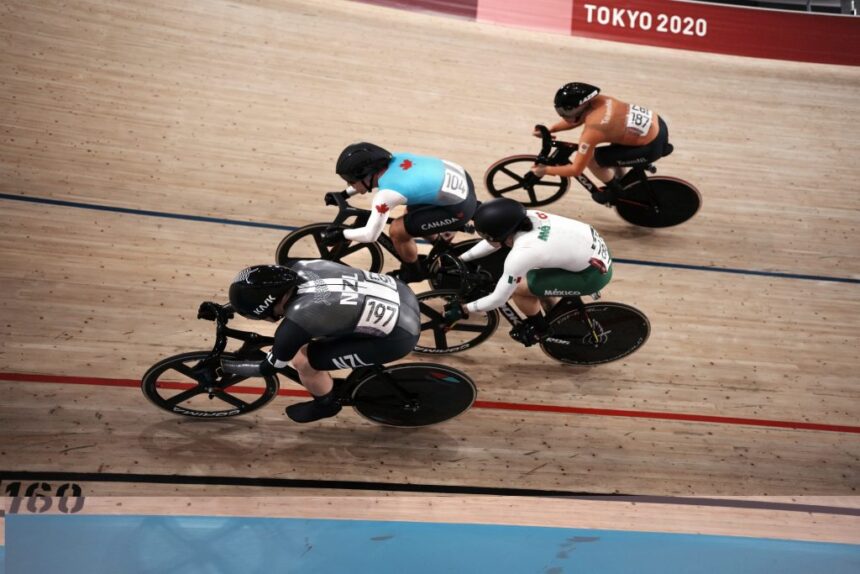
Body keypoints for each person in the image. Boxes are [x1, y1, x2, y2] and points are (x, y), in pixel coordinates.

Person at [226, 260, 421, 422]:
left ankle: (325, 405)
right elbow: (260, 295)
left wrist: (227, 366)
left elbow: (267, 368)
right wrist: (227, 308)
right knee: (319, 333)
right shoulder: (297, 265)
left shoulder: (300, 317)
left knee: (304, 362)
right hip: (401, 292)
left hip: (397, 338)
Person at [443, 198, 612, 346]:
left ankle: (540, 329)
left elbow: (498, 299)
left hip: (590, 276)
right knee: (532, 273)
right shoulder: (526, 216)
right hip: (589, 251)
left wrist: (465, 308)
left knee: (519, 290)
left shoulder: (524, 252)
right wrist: (463, 258)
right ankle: (553, 310)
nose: (487, 239)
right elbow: (494, 240)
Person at [321, 142, 478, 283]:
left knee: (397, 231)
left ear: (366, 175)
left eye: (351, 181)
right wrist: (344, 194)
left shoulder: (386, 195)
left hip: (458, 208)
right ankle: (440, 242)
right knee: (410, 212)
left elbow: (370, 235)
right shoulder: (394, 159)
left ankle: (414, 272)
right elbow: (369, 180)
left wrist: (342, 234)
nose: (349, 184)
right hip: (461, 179)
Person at [530, 82, 673, 205]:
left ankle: (616, 191)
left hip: (649, 147)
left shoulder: (594, 130)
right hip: (657, 126)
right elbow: (577, 118)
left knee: (593, 160)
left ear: (580, 106)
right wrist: (551, 129)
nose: (562, 115)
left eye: (565, 111)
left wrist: (545, 170)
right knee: (610, 147)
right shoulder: (599, 100)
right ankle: (621, 181)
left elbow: (576, 170)